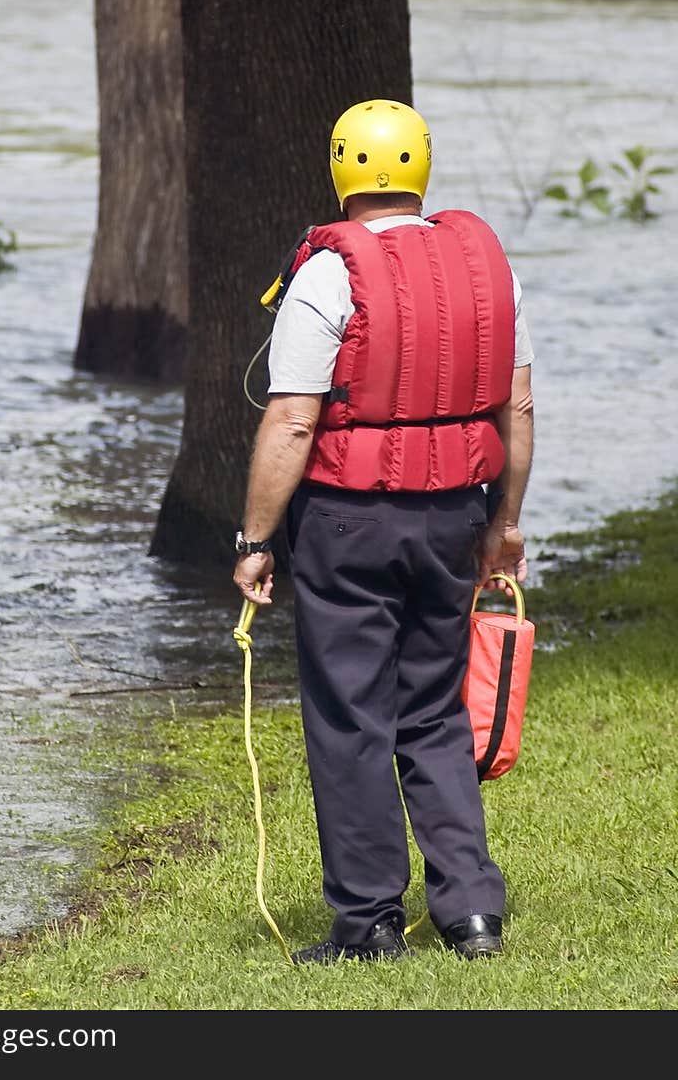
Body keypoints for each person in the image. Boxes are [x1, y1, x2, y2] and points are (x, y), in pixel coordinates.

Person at [232, 99, 534, 965]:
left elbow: (293, 420)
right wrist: (503, 525)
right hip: (455, 515)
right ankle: (471, 912)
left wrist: (255, 540)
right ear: (422, 167)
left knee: (351, 715)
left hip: (347, 523)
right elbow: (515, 405)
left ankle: (367, 923)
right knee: (435, 707)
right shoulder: (490, 269)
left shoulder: (328, 274)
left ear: (341, 171)